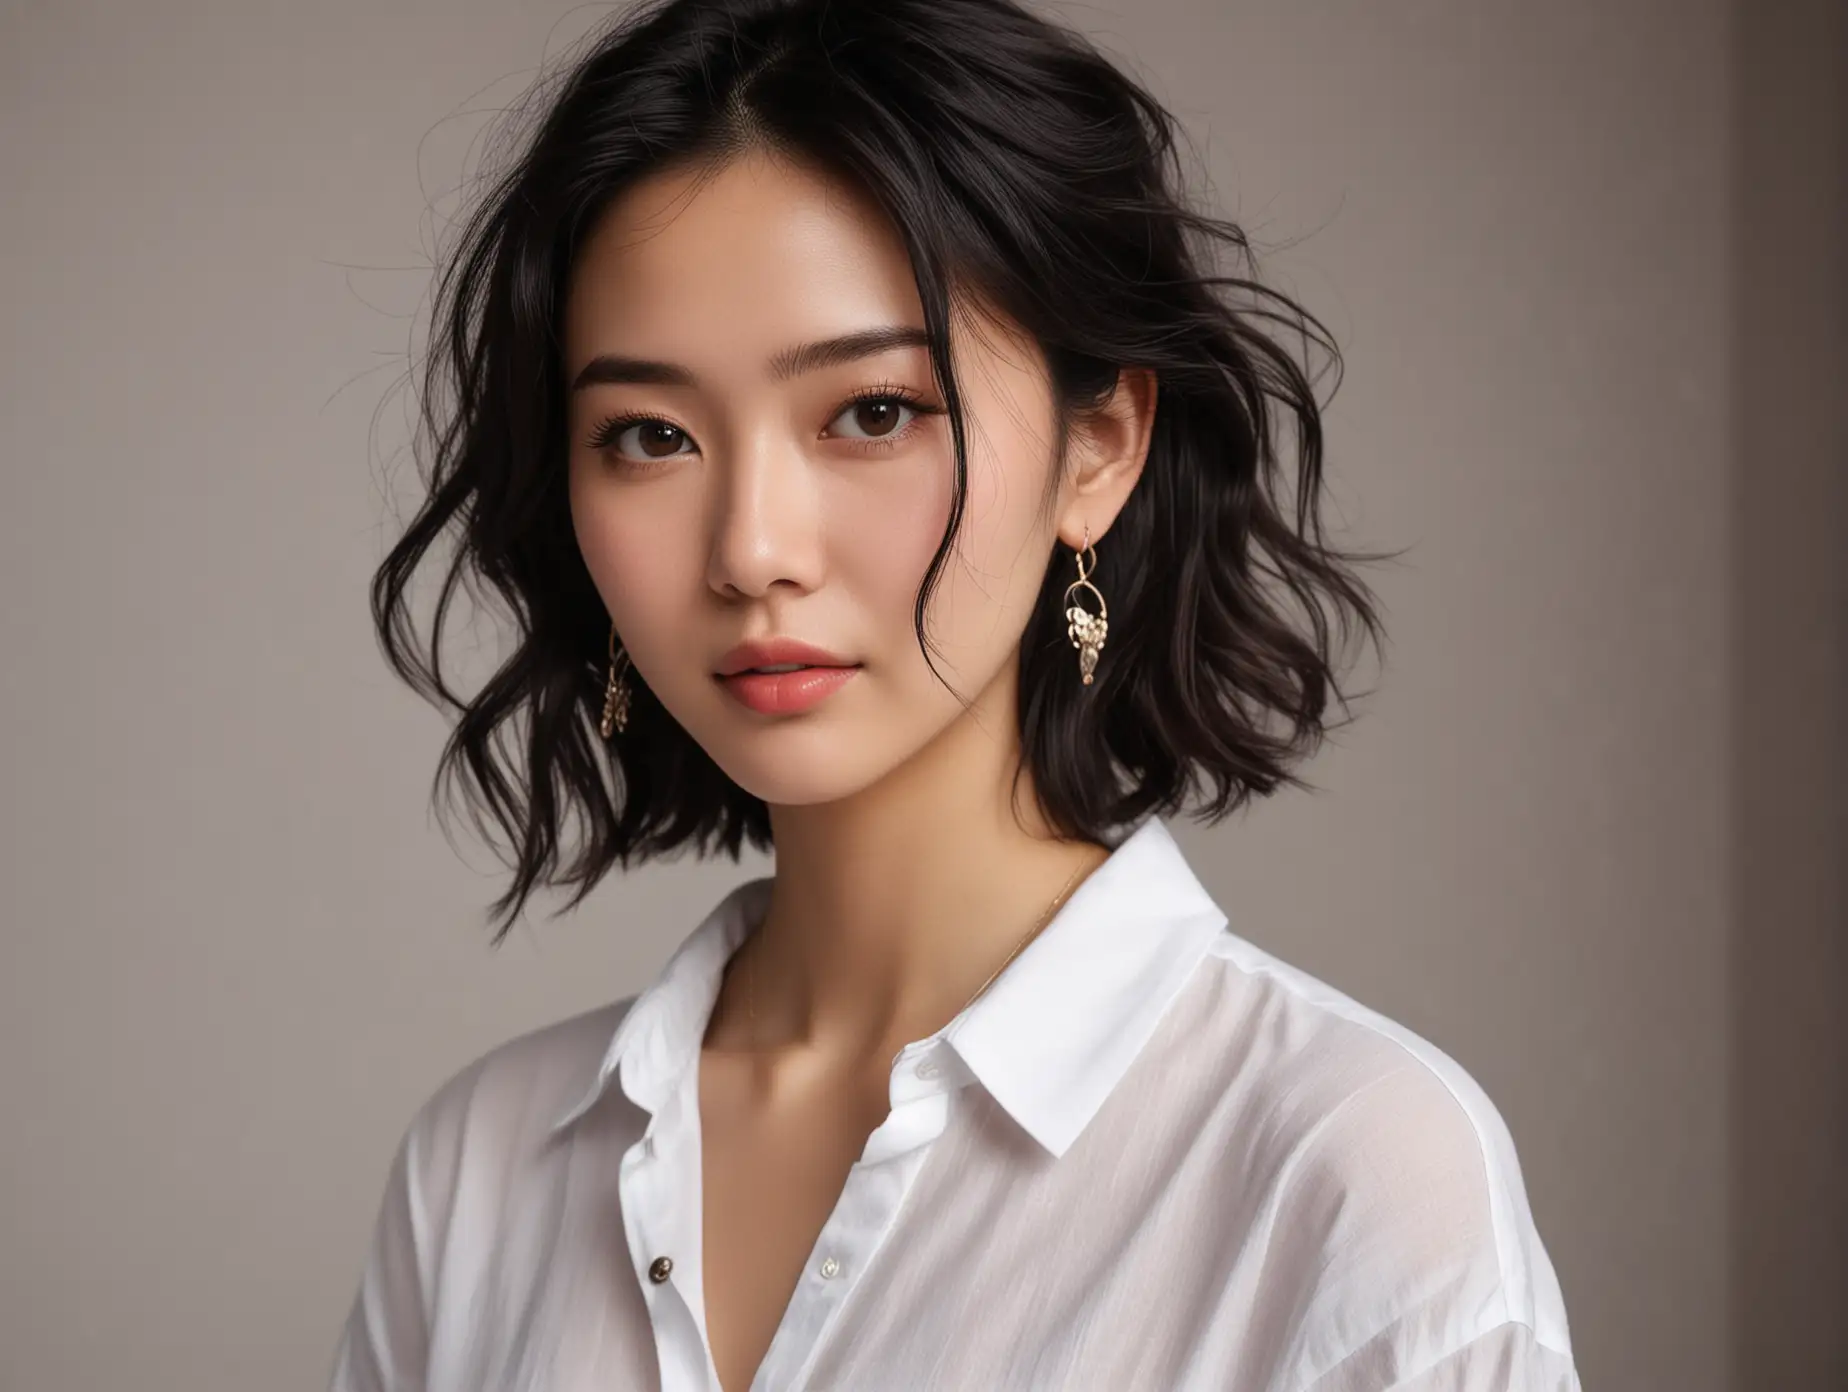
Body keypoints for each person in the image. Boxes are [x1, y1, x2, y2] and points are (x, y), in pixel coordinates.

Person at [330, 0, 1580, 1387]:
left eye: (872, 413)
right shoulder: (481, 1172)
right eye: (651, 435)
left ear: (1097, 446)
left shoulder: (1348, 1172)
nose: (751, 549)